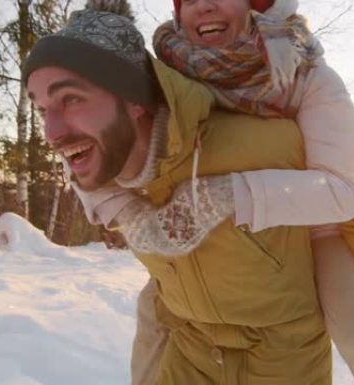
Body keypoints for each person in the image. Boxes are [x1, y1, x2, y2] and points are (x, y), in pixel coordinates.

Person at [23, 2, 332, 384]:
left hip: (285, 357)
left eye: (71, 98)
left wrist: (348, 302)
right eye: (41, 110)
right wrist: (134, 218)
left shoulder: (260, 143)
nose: (51, 133)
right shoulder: (103, 166)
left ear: (134, 100)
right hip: (193, 350)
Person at [149, 0, 354, 384]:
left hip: (314, 229)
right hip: (217, 233)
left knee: (351, 330)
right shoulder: (170, 76)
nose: (204, 6)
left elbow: (341, 190)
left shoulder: (305, 75)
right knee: (153, 315)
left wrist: (228, 194)